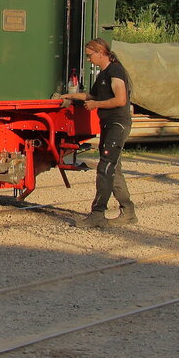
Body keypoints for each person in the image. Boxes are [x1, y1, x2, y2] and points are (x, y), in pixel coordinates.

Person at [57, 38, 136, 228]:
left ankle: (98, 213)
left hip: (118, 124)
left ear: (100, 52)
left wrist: (96, 105)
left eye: (89, 55)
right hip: (108, 124)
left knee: (105, 168)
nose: (88, 59)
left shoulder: (115, 71)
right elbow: (91, 96)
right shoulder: (102, 75)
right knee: (113, 169)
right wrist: (70, 96)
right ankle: (128, 211)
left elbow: (120, 99)